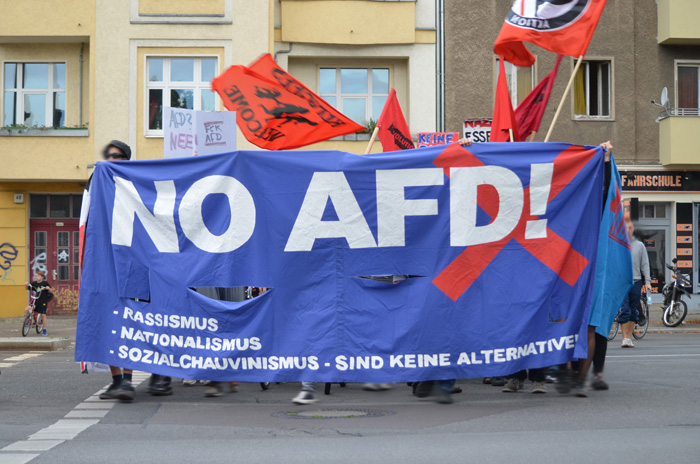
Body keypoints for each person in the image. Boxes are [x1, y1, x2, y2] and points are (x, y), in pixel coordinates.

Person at [96, 140, 140, 403]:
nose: (112, 159)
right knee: (108, 324)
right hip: (106, 265)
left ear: (127, 160)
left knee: (130, 326)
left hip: (134, 266)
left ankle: (128, 381)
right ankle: (116, 381)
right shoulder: (100, 184)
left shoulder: (137, 185)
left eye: (118, 156)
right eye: (109, 156)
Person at [619, 218, 651, 348]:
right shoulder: (617, 244)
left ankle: (628, 338)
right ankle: (623, 338)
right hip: (621, 283)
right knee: (624, 310)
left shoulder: (639, 245)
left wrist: (647, 281)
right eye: (625, 228)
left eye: (630, 228)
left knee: (633, 311)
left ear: (633, 229)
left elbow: (645, 264)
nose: (628, 230)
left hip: (636, 281)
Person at [25, 270, 53, 336]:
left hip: (43, 300)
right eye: (36, 276)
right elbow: (28, 288)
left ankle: (44, 329)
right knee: (27, 309)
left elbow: (51, 291)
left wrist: (48, 288)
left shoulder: (45, 283)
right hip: (36, 299)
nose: (36, 277)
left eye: (38, 276)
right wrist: (26, 285)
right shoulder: (34, 283)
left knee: (43, 315)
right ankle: (31, 319)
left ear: (42, 277)